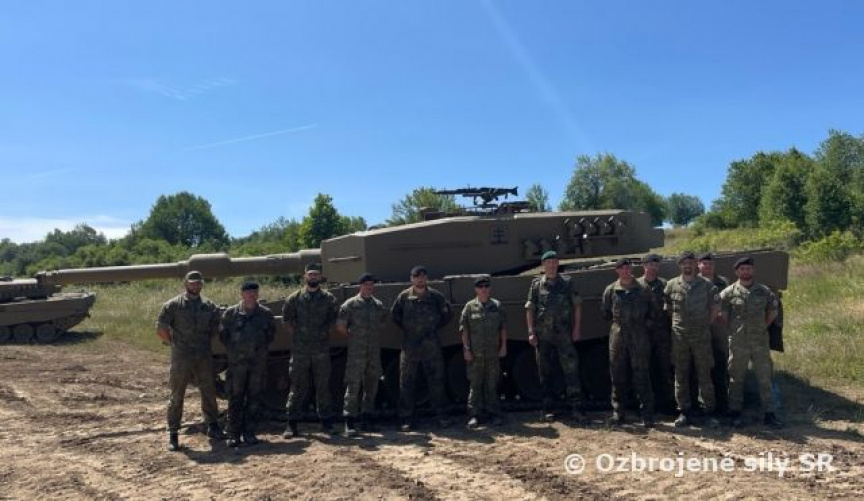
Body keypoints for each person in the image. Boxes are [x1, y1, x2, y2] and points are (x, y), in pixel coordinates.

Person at [156, 270, 224, 452]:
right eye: (192, 283)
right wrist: (173, 343)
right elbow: (161, 327)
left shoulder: (209, 306)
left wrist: (206, 342)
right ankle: (173, 432)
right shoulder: (173, 305)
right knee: (177, 394)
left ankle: (212, 425)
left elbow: (216, 327)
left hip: (203, 355)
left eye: (198, 283)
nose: (195, 286)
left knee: (208, 390)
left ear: (202, 284)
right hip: (182, 356)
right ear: (185, 284)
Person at [525, 250, 588, 423]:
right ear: (543, 265)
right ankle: (548, 409)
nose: (552, 265)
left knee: (571, 371)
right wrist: (530, 331)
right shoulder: (536, 285)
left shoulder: (567, 282)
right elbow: (530, 308)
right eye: (548, 262)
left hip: (564, 334)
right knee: (545, 373)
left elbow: (577, 306)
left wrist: (577, 328)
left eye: (554, 262)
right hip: (543, 335)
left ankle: (577, 408)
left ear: (558, 264)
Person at [719, 257, 782, 428]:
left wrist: (762, 327)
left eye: (748, 268)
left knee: (765, 377)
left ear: (753, 271)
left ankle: (769, 413)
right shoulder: (728, 292)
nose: (745, 271)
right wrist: (735, 330)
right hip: (738, 342)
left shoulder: (764, 291)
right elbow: (723, 315)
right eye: (742, 269)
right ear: (737, 272)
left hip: (759, 341)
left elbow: (772, 312)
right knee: (736, 378)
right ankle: (735, 412)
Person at [391, 265, 453, 431]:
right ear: (412, 279)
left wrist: (434, 327)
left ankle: (442, 415)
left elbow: (447, 313)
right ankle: (406, 418)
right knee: (406, 382)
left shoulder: (436, 296)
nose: (420, 279)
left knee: (437, 381)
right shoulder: (404, 296)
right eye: (417, 276)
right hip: (410, 345)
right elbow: (395, 315)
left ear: (426, 278)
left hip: (431, 345)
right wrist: (408, 329)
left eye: (423, 276)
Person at [283, 263, 340, 438]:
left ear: (320, 277)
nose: (313, 277)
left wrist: (322, 334)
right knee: (298, 385)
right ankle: (291, 423)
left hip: (321, 349)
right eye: (310, 274)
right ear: (305, 276)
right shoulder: (294, 298)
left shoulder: (328, 298)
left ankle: (326, 422)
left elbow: (334, 320)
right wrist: (301, 337)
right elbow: (287, 321)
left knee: (323, 386)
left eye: (316, 274)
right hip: (300, 350)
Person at [664, 251, 720, 428]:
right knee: (681, 373)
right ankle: (684, 411)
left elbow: (715, 308)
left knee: (704, 373)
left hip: (701, 336)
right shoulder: (671, 285)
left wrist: (704, 324)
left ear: (695, 264)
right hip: (680, 336)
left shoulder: (706, 285)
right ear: (679, 265)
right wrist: (679, 324)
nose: (687, 265)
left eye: (690, 262)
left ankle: (708, 411)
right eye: (684, 263)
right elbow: (669, 308)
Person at [219, 281, 276, 447]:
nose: (252, 295)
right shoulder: (231, 313)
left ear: (258, 294)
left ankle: (249, 432)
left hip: (257, 365)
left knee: (254, 399)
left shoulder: (265, 314)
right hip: (237, 365)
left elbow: (270, 335)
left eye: (254, 293)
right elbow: (223, 336)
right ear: (242, 294)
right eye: (248, 292)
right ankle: (233, 434)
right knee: (235, 399)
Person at [602, 258, 656, 427]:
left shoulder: (643, 288)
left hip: (639, 334)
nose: (625, 271)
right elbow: (606, 312)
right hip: (618, 335)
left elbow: (653, 311)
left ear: (631, 269)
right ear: (617, 270)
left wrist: (643, 326)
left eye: (628, 268)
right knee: (617, 374)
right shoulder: (611, 290)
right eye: (622, 268)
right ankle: (618, 412)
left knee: (642, 374)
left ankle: (647, 413)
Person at [337, 273, 387, 437]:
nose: (369, 287)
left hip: (373, 352)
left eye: (371, 285)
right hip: (356, 353)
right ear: (360, 286)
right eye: (366, 285)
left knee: (371, 386)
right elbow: (341, 326)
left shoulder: (378, 305)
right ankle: (349, 422)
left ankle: (367, 419)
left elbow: (382, 322)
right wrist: (354, 338)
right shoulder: (350, 304)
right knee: (353, 386)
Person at [460, 275, 508, 429]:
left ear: (490, 288)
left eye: (486, 286)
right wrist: (466, 349)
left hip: (493, 353)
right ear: (476, 289)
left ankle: (494, 414)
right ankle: (474, 415)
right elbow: (465, 330)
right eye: (480, 287)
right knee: (475, 385)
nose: (484, 289)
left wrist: (503, 346)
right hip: (475, 354)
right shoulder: (469, 307)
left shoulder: (497, 306)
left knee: (491, 385)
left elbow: (503, 328)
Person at [637, 253, 675, 414]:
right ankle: (646, 403)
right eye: (650, 264)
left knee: (665, 368)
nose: (653, 268)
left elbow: (671, 306)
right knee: (644, 369)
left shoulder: (665, 284)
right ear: (644, 266)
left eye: (656, 265)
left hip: (662, 333)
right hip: (642, 334)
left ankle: (668, 402)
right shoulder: (636, 285)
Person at [698, 252, 731, 414]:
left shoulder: (723, 282)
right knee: (701, 365)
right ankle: (703, 402)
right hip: (699, 328)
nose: (707, 266)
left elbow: (728, 301)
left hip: (718, 328)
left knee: (720, 363)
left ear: (714, 265)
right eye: (704, 263)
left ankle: (722, 402)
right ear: (699, 265)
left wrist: (724, 313)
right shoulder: (693, 281)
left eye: (710, 263)